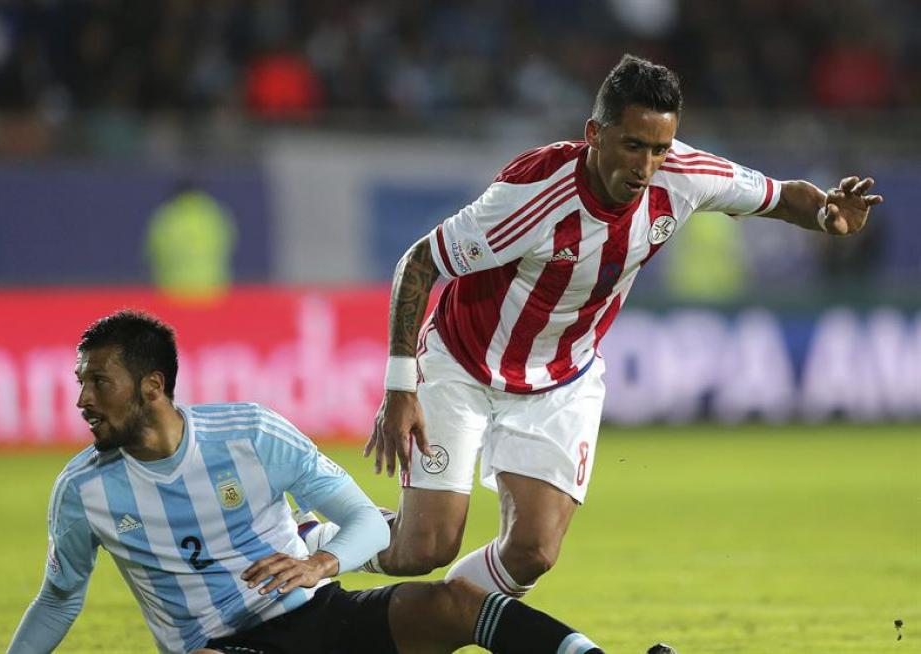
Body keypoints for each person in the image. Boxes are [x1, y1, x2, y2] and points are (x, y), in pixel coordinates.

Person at [362, 54, 883, 597]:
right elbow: (420, 263)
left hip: (561, 378)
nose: (647, 165)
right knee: (423, 548)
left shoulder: (685, 176)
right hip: (464, 364)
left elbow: (780, 196)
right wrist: (400, 388)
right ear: (595, 133)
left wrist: (827, 214)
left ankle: (448, 613)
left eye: (660, 148)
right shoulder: (536, 193)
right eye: (634, 145)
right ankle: (312, 541)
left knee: (532, 552)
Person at [7, 310, 607, 654]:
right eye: (80, 382)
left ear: (153, 387)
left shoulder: (250, 434)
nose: (82, 399)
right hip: (222, 646)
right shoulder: (83, 492)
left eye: (98, 382)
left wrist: (322, 565)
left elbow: (370, 523)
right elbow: (59, 600)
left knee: (458, 604)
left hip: (317, 615)